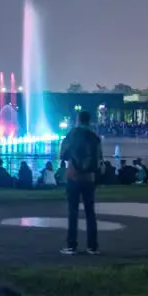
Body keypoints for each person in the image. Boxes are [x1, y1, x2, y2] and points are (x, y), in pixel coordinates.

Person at [60, 110, 101, 256]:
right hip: (89, 178)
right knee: (90, 213)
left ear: (78, 120)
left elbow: (62, 154)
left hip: (74, 176)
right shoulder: (95, 137)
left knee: (73, 212)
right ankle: (93, 246)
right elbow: (99, 159)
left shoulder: (73, 134)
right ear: (89, 120)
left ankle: (72, 246)